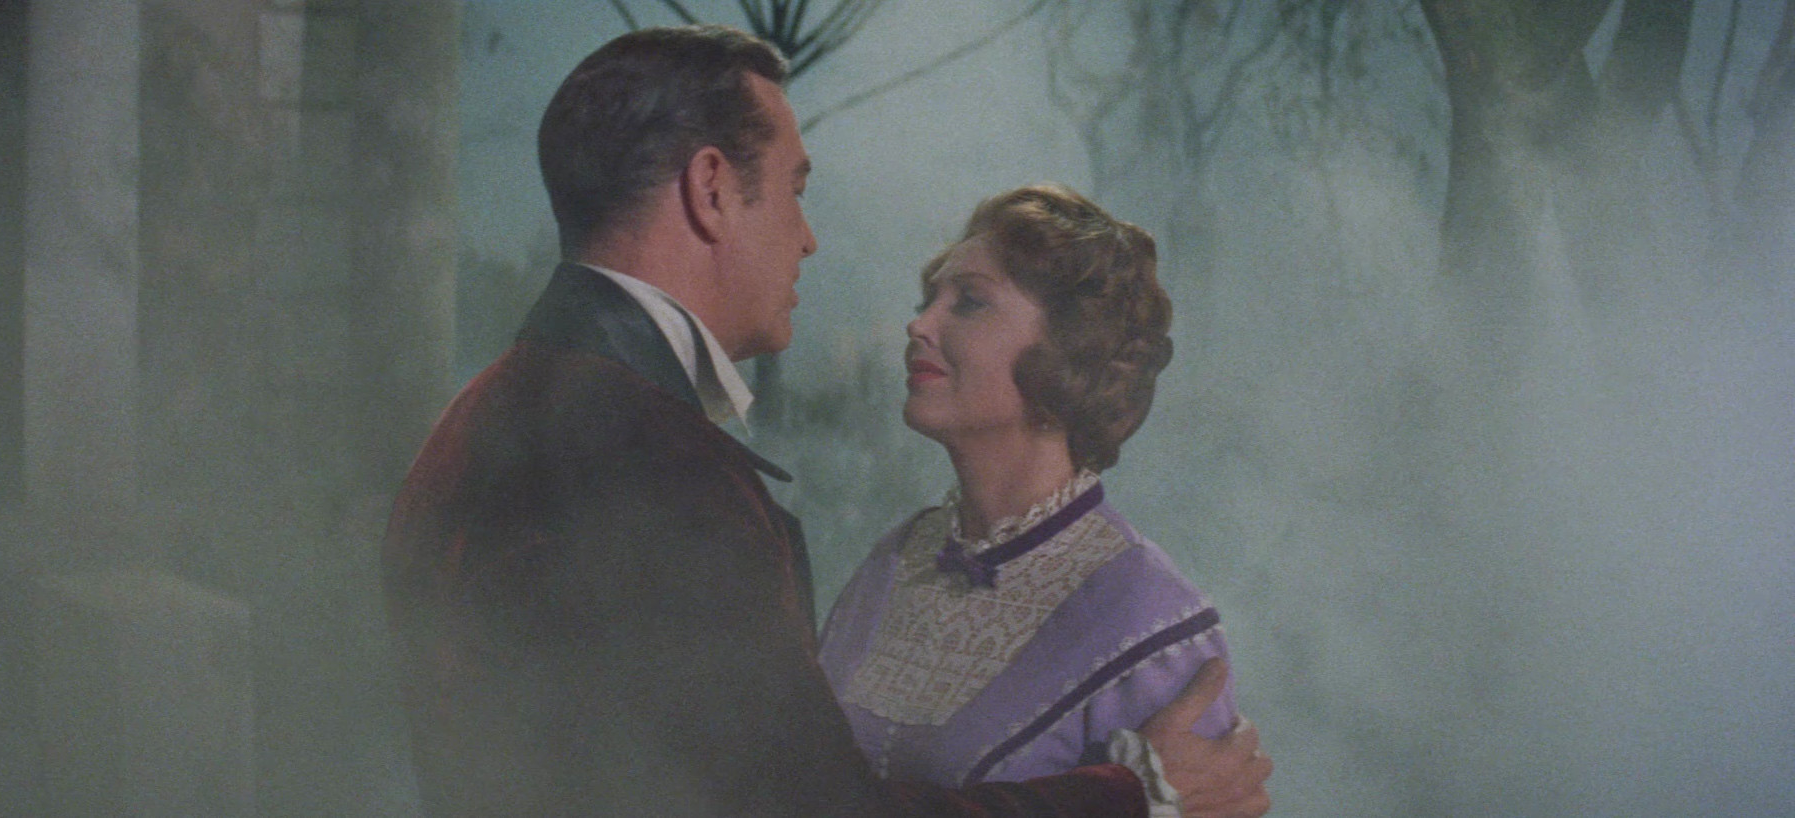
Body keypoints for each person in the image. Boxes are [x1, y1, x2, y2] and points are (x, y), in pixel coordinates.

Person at [382, 24, 1271, 818]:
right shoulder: (664, 468)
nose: (807, 236)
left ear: (1069, 351)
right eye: (794, 189)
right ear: (711, 189)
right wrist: (1128, 799)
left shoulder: (488, 411)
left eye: (968, 301)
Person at [819, 185, 1243, 796]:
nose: (919, 324)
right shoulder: (895, 559)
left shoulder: (1151, 623)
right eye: (928, 300)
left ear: (1071, 347)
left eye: (969, 302)